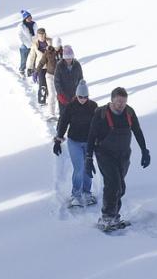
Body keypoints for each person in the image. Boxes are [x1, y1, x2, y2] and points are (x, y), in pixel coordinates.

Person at [86, 86, 150, 230]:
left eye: (124, 102)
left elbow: (137, 131)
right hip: (104, 153)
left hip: (123, 154)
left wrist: (144, 150)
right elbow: (91, 135)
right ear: (112, 100)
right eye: (118, 102)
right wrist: (89, 158)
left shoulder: (129, 112)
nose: (121, 105)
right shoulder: (101, 113)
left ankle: (114, 216)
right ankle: (106, 217)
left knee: (120, 187)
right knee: (113, 184)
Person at [54, 80, 99, 208]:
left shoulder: (93, 106)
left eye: (85, 97)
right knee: (79, 168)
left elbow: (99, 124)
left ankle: (87, 193)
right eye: (80, 97)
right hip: (74, 141)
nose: (83, 99)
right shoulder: (71, 107)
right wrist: (58, 140)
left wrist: (100, 140)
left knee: (87, 167)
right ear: (76, 95)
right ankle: (76, 194)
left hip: (89, 142)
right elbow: (63, 123)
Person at [53, 45, 84, 115]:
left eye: (70, 58)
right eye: (67, 58)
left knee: (75, 114)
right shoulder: (59, 65)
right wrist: (60, 93)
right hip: (63, 95)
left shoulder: (77, 65)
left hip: (74, 94)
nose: (69, 60)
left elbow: (81, 78)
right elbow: (57, 81)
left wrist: (80, 91)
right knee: (64, 114)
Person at [26, 28, 53, 104]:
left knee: (50, 84)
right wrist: (30, 68)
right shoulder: (35, 44)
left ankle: (51, 100)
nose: (41, 36)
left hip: (49, 66)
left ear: (45, 34)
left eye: (42, 34)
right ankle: (42, 101)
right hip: (40, 67)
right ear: (37, 35)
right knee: (42, 85)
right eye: (39, 35)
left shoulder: (49, 42)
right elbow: (32, 56)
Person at [18, 10, 36, 75]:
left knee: (34, 58)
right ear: (25, 18)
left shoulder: (34, 24)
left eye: (30, 17)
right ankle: (22, 69)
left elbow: (36, 34)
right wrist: (28, 44)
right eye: (28, 17)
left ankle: (32, 70)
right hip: (24, 45)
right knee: (24, 58)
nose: (30, 18)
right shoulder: (21, 26)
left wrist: (35, 42)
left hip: (33, 44)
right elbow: (21, 36)